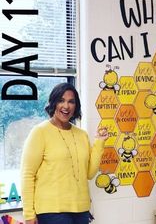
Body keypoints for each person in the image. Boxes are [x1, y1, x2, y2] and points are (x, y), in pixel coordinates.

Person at [20, 83, 108, 224]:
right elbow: (27, 174)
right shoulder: (40, 132)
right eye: (61, 100)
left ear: (76, 106)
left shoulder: (82, 135)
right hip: (51, 211)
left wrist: (100, 142)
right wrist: (29, 214)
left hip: (81, 210)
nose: (66, 106)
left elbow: (89, 173)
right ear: (53, 103)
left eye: (71, 101)